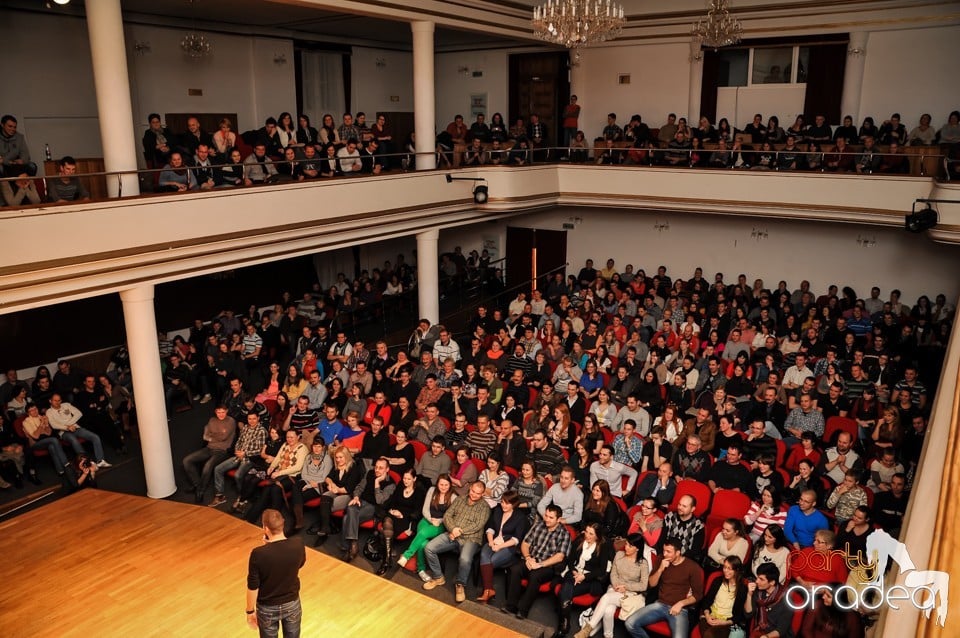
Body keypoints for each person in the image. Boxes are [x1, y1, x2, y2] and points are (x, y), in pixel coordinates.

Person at [422, 480, 491, 603]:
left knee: (465, 559)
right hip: (452, 533)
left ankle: (460, 584)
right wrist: (453, 529)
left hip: (471, 538)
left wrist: (459, 531)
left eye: (478, 493)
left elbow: (478, 525)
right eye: (473, 491)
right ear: (470, 489)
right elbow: (448, 515)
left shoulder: (485, 507)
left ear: (482, 494)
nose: (474, 495)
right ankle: (438, 577)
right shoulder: (460, 499)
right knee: (429, 547)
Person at [501, 503, 573, 619]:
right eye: (546, 515)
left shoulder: (564, 534)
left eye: (551, 517)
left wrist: (540, 564)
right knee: (515, 569)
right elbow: (525, 543)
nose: (547, 519)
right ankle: (511, 606)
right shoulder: (538, 525)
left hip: (547, 566)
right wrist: (528, 558)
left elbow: (559, 556)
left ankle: (523, 610)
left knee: (535, 576)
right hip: (531, 559)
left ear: (558, 519)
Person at [623, 536, 703, 638]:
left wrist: (681, 603)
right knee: (630, 623)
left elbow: (698, 595)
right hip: (660, 604)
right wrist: (660, 569)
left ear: (678, 553)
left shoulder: (692, 567)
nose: (665, 554)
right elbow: (651, 584)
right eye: (664, 550)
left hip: (679, 609)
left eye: (668, 552)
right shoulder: (661, 559)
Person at [245, 509, 306, 638]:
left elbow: (253, 586)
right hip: (292, 603)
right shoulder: (298, 543)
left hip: (267, 607)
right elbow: (299, 564)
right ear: (282, 524)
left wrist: (250, 611)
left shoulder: (258, 554)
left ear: (265, 528)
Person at [555, 522, 613, 637]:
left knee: (564, 593)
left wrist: (584, 576)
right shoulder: (579, 540)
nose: (587, 535)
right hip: (574, 573)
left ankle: (563, 626)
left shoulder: (603, 546)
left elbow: (601, 570)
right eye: (586, 532)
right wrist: (574, 572)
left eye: (591, 534)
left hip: (590, 578)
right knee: (567, 588)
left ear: (597, 536)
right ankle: (565, 623)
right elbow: (570, 561)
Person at [476, 490, 528, 603]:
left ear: (513, 504)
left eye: (507, 503)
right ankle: (489, 590)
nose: (503, 505)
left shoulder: (520, 517)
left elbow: (516, 539)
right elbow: (490, 528)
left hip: (508, 545)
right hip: (493, 540)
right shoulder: (497, 510)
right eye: (502, 502)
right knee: (484, 555)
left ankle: (487, 591)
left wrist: (500, 547)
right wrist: (490, 542)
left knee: (491, 562)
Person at [697, 556, 748, 638]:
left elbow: (739, 615)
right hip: (710, 617)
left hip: (725, 622)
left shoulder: (742, 589)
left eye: (729, 568)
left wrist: (724, 623)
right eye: (724, 567)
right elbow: (706, 601)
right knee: (708, 634)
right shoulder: (717, 581)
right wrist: (707, 616)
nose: (725, 571)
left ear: (737, 570)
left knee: (708, 635)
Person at [744, 564, 792, 638]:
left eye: (761, 579)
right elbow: (748, 614)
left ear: (772, 582)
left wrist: (767, 636)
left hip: (776, 635)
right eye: (757, 578)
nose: (757, 581)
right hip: (760, 632)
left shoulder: (785, 599)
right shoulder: (759, 592)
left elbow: (781, 630)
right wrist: (749, 594)